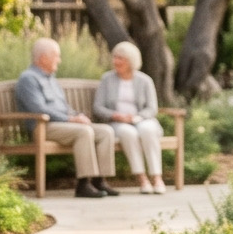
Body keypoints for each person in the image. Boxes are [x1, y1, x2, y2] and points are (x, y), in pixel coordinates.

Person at [13, 35, 116, 198]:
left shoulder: (51, 79)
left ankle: (99, 180)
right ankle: (83, 184)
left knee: (105, 131)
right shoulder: (28, 79)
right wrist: (71, 120)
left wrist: (77, 115)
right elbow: (38, 108)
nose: (59, 60)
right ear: (43, 57)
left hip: (64, 125)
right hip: (43, 127)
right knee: (83, 132)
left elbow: (63, 106)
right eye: (56, 56)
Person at [95, 41, 168, 195]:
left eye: (121, 58)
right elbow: (98, 107)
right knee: (128, 133)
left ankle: (157, 178)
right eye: (115, 57)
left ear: (131, 61)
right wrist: (116, 115)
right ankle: (142, 179)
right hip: (117, 122)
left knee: (148, 130)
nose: (116, 61)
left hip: (141, 120)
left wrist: (137, 117)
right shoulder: (107, 79)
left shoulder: (145, 80)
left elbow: (152, 108)